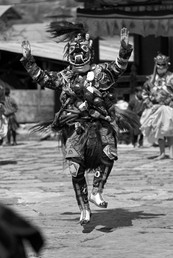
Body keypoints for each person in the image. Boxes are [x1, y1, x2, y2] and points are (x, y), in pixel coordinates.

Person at [20, 22, 139, 226]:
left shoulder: (101, 72)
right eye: (73, 52)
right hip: (77, 127)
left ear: (89, 52)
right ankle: (84, 207)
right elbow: (44, 78)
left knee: (109, 153)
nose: (77, 56)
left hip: (100, 123)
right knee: (75, 168)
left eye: (81, 51)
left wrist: (124, 49)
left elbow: (118, 68)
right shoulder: (66, 76)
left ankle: (97, 191)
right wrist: (29, 60)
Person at [140, 53, 173, 159]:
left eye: (163, 65)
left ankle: (172, 152)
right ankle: (162, 153)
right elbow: (144, 93)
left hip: (169, 106)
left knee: (169, 129)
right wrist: (148, 102)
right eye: (159, 64)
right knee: (158, 131)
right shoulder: (150, 79)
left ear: (167, 65)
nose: (161, 67)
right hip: (155, 107)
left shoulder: (171, 77)